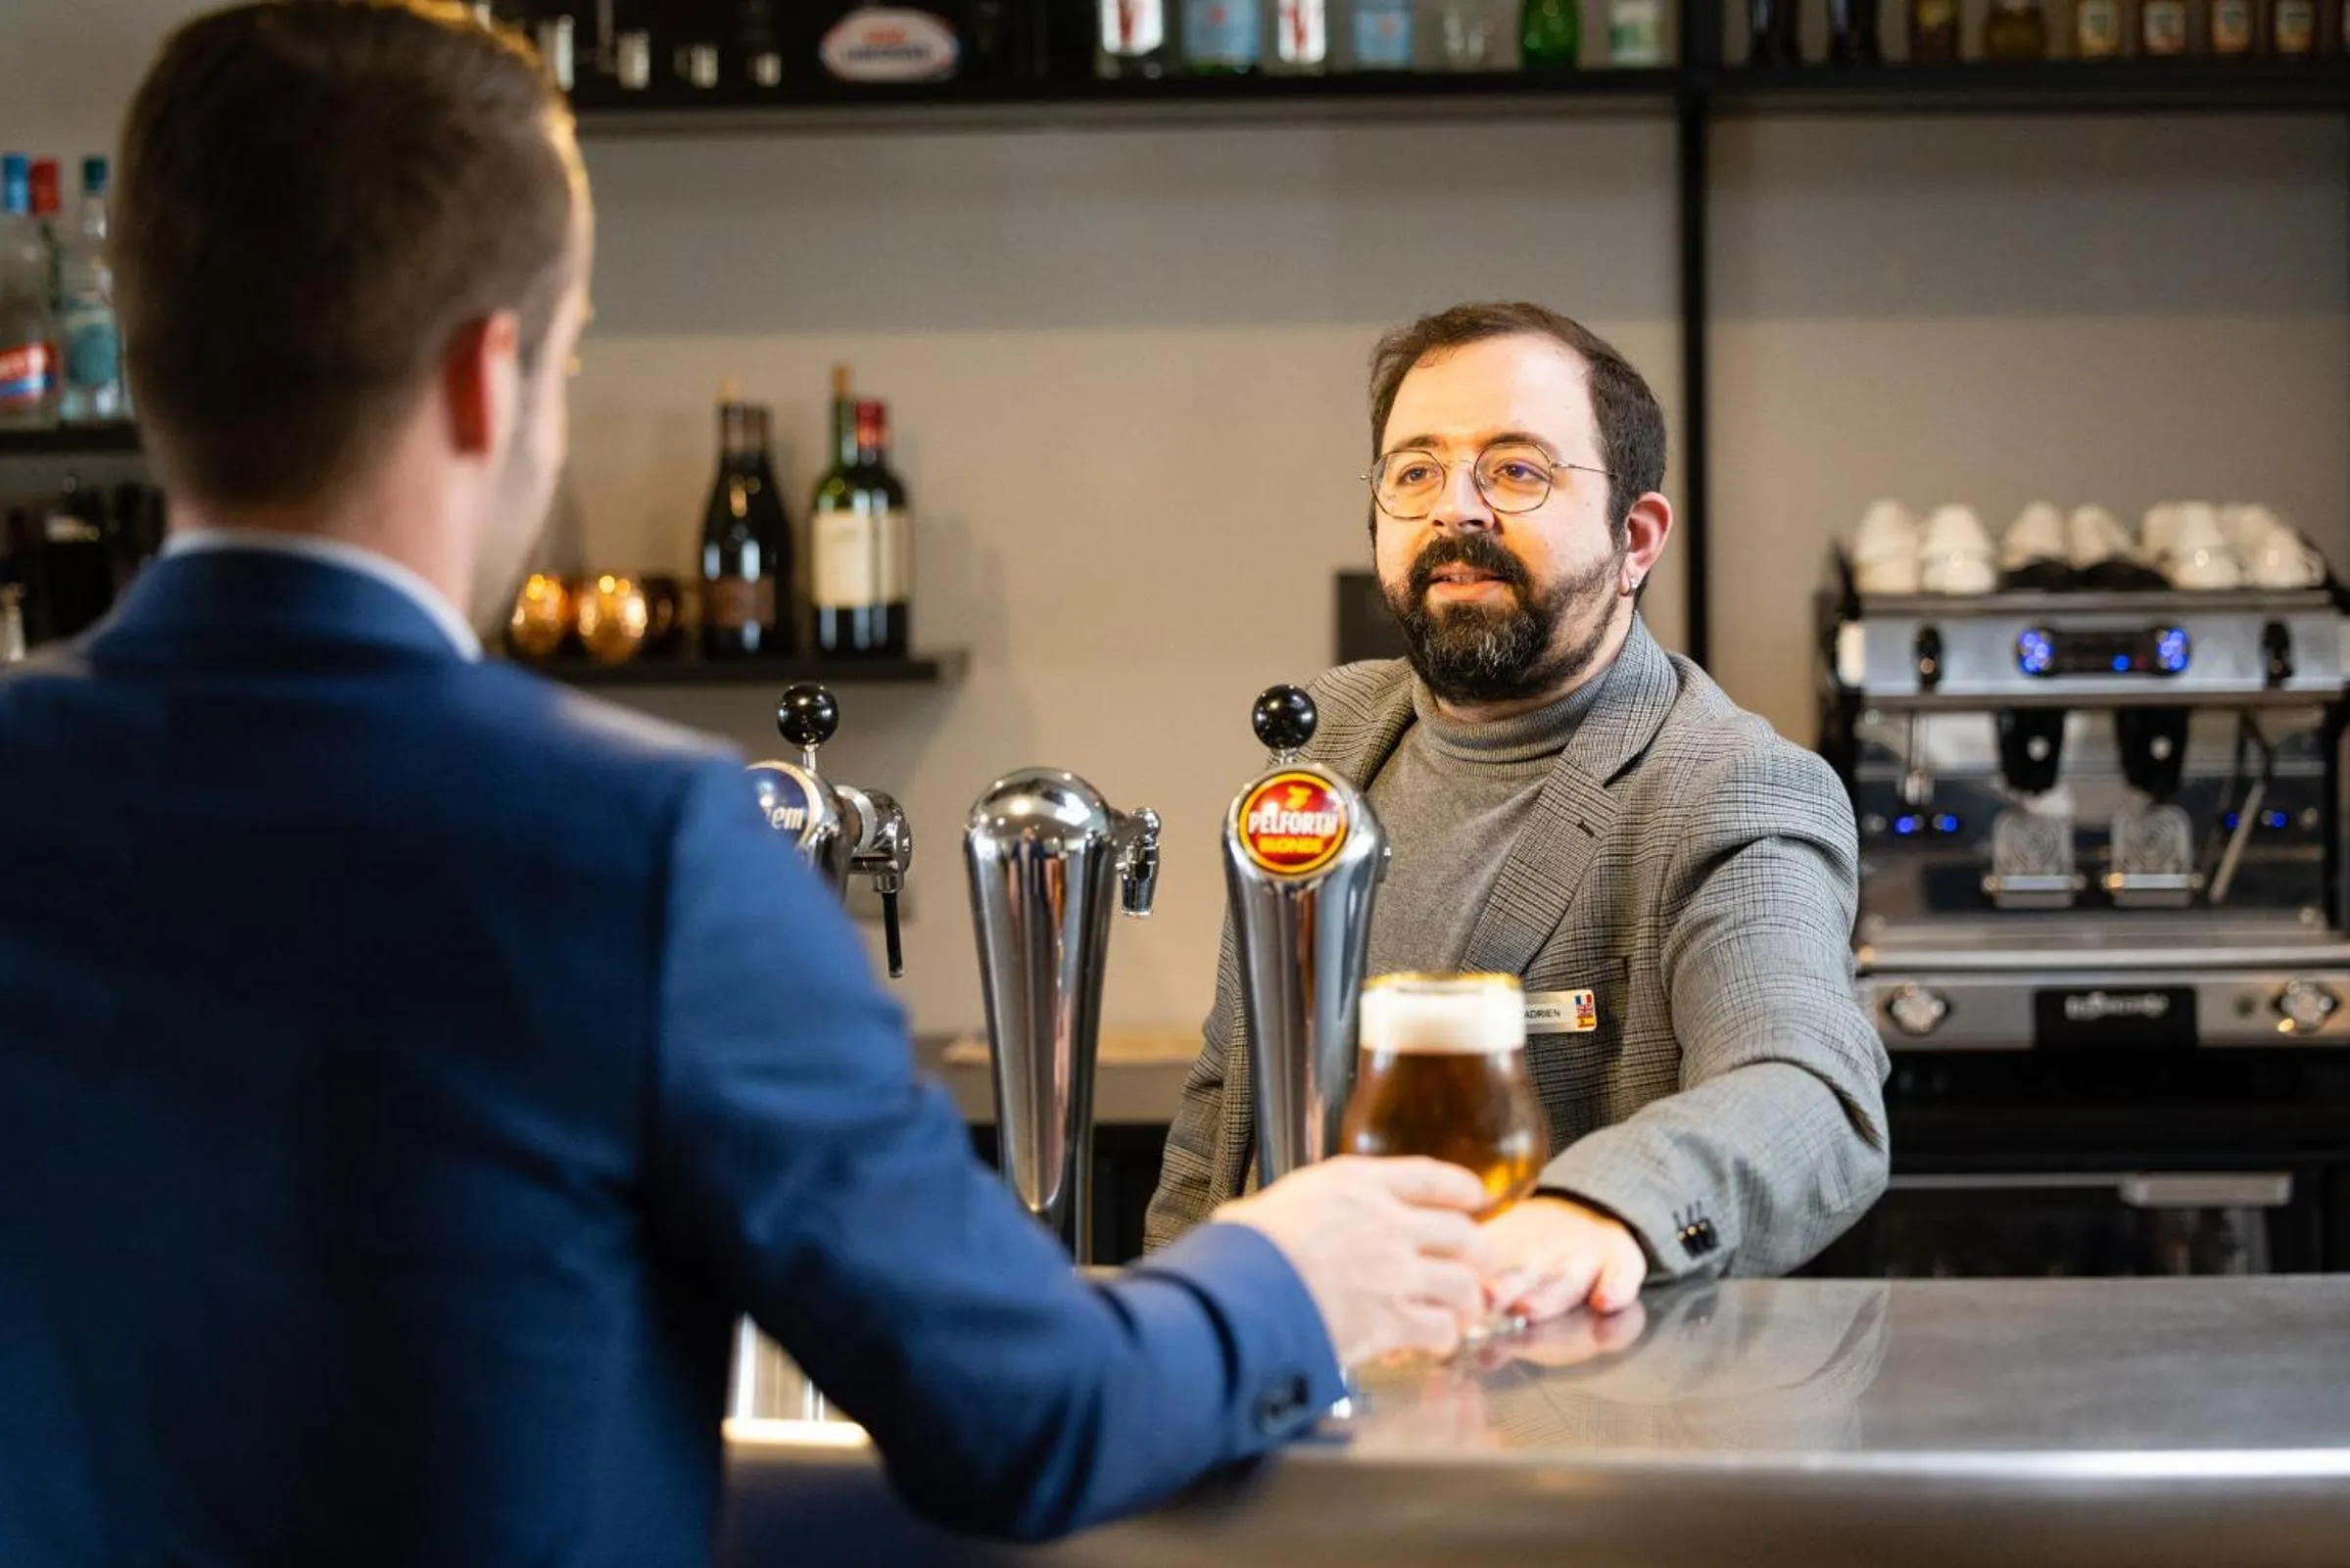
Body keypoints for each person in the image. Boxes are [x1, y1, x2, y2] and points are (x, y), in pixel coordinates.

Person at [0, 7, 1503, 1564]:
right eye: (569, 359)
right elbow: (1026, 1414)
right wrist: (1288, 1271)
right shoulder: (639, 843)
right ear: (487, 381)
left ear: (149, 359)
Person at [1148, 303, 1892, 1315]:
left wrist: (1597, 1211)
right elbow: (1220, 1115)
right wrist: (1168, 1338)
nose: (1455, 510)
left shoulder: (1726, 785)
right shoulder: (1325, 745)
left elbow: (1807, 1091)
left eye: (1514, 470)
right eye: (1415, 471)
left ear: (1635, 538)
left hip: (1562, 1391)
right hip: (1289, 1375)